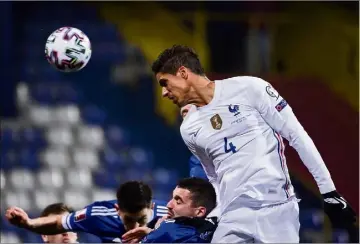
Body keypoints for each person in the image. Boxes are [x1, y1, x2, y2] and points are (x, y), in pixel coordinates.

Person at [151, 45, 356, 243]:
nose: (164, 93)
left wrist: (328, 191)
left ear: (183, 72)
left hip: (276, 209)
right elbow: (214, 176)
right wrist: (215, 214)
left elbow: (296, 136)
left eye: (165, 83)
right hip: (233, 216)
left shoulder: (250, 88)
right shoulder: (188, 128)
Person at [6, 181, 167, 243]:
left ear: (151, 207)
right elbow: (59, 222)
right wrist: (29, 223)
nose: (136, 226)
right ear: (117, 210)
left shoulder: (169, 214)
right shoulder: (98, 215)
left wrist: (153, 235)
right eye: (129, 221)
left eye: (142, 219)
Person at [121, 177, 218, 243]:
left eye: (178, 202)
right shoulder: (215, 226)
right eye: (172, 198)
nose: (169, 205)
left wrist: (158, 232)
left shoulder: (168, 230)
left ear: (200, 212)